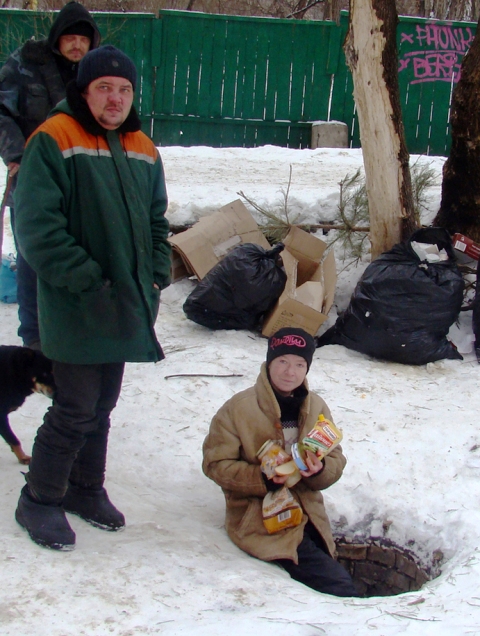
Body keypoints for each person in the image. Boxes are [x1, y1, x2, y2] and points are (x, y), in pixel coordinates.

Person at [13, 45, 171, 550]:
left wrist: (157, 274)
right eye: (104, 87)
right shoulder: (54, 138)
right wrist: (87, 279)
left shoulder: (143, 146)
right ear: (84, 91)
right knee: (75, 406)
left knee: (102, 405)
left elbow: (156, 219)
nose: (115, 98)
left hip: (126, 301)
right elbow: (36, 228)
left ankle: (85, 488)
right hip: (77, 303)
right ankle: (39, 499)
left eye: (124, 90)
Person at [203, 327, 357, 597]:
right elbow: (215, 464)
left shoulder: (316, 406)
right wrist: (261, 479)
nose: (290, 372)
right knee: (339, 585)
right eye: (283, 361)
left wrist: (319, 470)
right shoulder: (238, 409)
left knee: (328, 562)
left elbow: (335, 457)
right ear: (269, 362)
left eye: (299, 364)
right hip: (261, 517)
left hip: (309, 511)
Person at [0, 1, 101, 350]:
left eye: (83, 39)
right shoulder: (27, 63)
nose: (76, 45)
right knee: (32, 260)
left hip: (82, 185)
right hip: (30, 181)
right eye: (70, 38)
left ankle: (74, 336)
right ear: (57, 37)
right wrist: (16, 156)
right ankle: (35, 341)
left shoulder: (97, 74)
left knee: (78, 257)